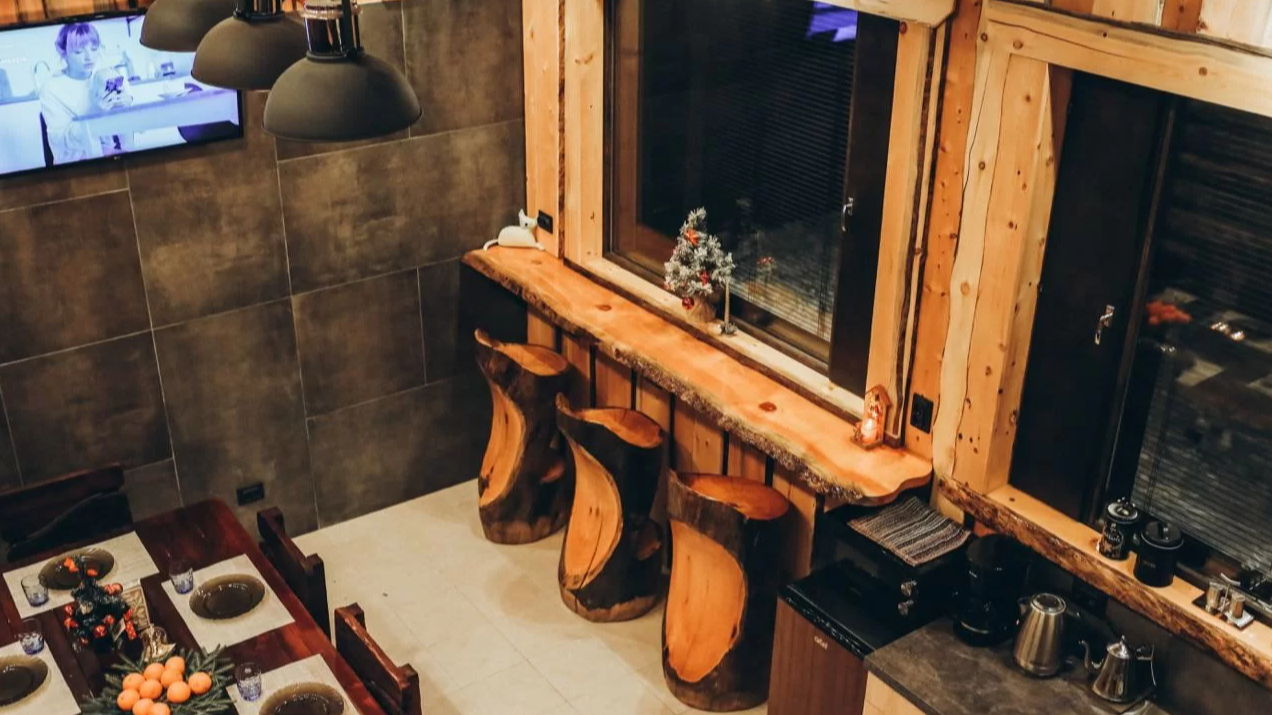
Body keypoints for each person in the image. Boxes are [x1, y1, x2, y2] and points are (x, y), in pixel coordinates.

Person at [39, 23, 132, 164]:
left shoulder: (107, 76)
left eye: (94, 49)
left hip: (106, 152)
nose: (89, 57)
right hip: (73, 159)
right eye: (79, 52)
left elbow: (125, 128)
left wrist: (126, 107)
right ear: (63, 52)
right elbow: (60, 140)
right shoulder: (51, 88)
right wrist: (94, 113)